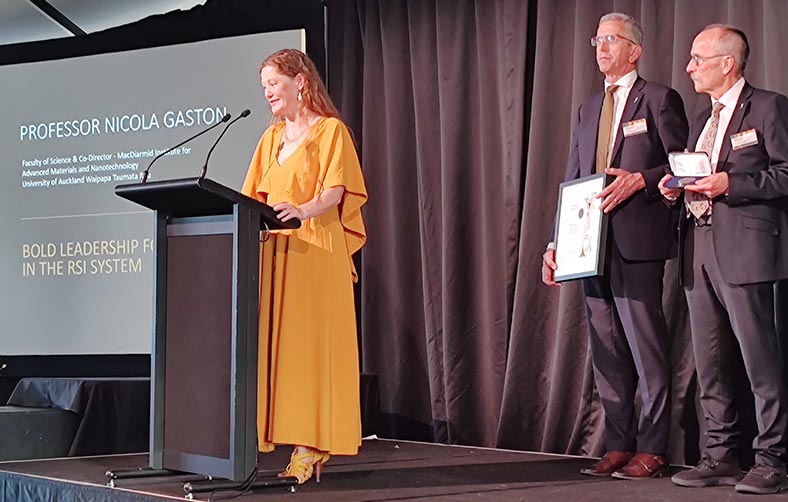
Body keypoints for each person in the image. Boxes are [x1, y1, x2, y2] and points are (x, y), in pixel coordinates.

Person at [542, 12, 688, 479]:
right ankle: (619, 443)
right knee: (606, 350)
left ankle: (654, 446)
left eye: (611, 39)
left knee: (645, 348)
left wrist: (641, 181)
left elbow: (681, 167)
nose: (601, 48)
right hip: (589, 244)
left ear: (635, 50)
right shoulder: (589, 109)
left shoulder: (661, 99)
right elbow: (573, 176)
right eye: (597, 39)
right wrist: (555, 242)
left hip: (636, 242)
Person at [659, 25, 788, 494]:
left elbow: (785, 173)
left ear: (726, 63)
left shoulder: (769, 107)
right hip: (699, 247)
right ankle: (719, 455)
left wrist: (731, 185)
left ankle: (771, 460)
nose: (689, 66)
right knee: (710, 363)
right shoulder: (701, 116)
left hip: (748, 250)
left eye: (697, 58)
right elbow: (696, 171)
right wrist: (675, 187)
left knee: (760, 362)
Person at [241, 48, 368, 484]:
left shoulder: (331, 132)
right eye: (264, 87)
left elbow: (337, 191)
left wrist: (303, 209)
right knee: (284, 353)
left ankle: (311, 446)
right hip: (278, 255)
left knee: (312, 351)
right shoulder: (269, 140)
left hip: (316, 250)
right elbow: (251, 197)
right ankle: (289, 438)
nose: (268, 94)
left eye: (274, 84)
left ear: (300, 81)